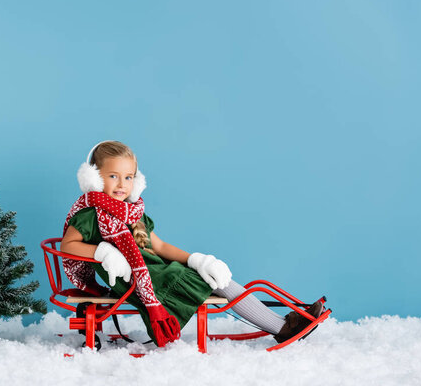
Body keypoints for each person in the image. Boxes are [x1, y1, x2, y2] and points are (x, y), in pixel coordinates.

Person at [60, 140, 324, 347]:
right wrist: (102, 251)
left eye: (128, 177)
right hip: (142, 284)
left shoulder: (133, 213)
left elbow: (160, 248)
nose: (122, 184)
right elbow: (67, 245)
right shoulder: (91, 215)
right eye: (113, 176)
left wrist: (197, 259)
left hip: (159, 272)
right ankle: (282, 327)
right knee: (218, 284)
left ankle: (283, 324)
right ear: (94, 178)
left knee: (215, 277)